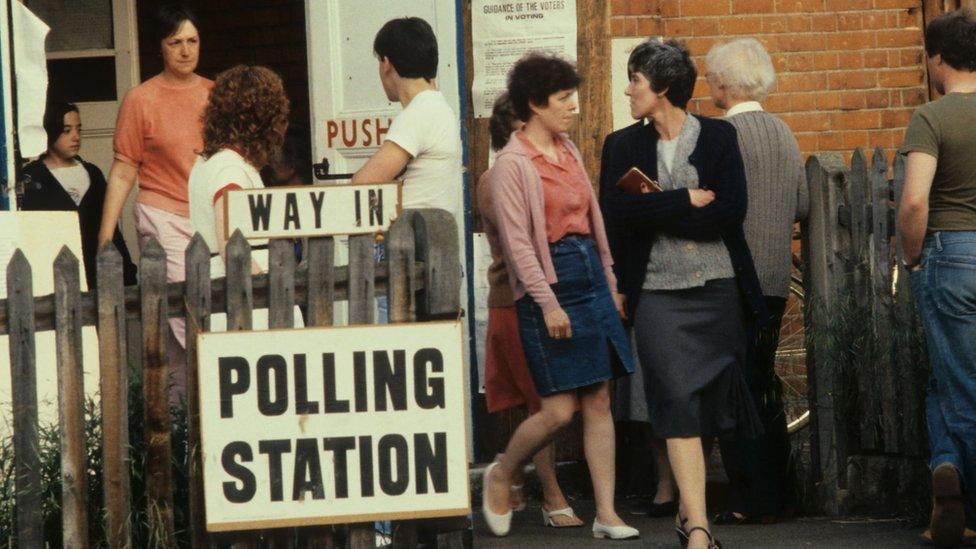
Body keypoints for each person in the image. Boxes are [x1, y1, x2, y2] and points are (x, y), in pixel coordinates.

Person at [600, 39, 766, 549]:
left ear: (664, 87)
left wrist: (663, 211)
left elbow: (729, 211)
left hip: (718, 292)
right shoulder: (621, 145)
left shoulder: (717, 136)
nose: (628, 89)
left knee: (710, 407)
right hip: (656, 294)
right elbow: (616, 214)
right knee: (674, 403)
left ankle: (688, 517)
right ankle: (698, 526)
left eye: (636, 80)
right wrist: (684, 200)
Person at [481, 53, 638, 541]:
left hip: (589, 272)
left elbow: (593, 222)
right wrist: (547, 302)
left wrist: (610, 281)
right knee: (557, 410)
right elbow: (518, 244)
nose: (574, 106)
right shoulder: (512, 165)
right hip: (550, 281)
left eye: (573, 96)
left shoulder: (568, 150)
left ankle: (607, 514)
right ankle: (503, 472)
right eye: (563, 99)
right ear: (534, 104)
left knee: (598, 396)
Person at [704, 37, 809, 524]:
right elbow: (804, 205)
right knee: (762, 381)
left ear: (725, 82)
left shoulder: (721, 136)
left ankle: (751, 498)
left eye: (710, 77)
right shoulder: (785, 132)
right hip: (774, 277)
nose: (708, 85)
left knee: (735, 387)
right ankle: (780, 493)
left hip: (731, 273)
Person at [97, 3, 212, 397]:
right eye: (175, 41)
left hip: (209, 216)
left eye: (192, 40)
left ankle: (186, 426)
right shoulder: (141, 99)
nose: (185, 50)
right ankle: (207, 402)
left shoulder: (215, 94)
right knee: (189, 315)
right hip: (161, 212)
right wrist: (106, 234)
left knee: (181, 325)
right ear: (160, 47)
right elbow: (125, 168)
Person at [479, 92, 582, 528]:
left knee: (539, 402)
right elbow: (526, 243)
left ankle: (514, 477)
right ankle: (547, 491)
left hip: (537, 297)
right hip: (515, 300)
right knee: (543, 402)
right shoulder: (497, 179)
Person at [898, 9, 976, 547]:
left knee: (963, 384)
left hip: (952, 254)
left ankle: (969, 507)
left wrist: (912, 256)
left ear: (937, 59)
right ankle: (946, 470)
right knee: (944, 378)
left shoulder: (932, 117)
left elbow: (915, 200)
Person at [187, 65, 289, 276]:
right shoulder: (230, 170)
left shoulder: (209, 162)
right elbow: (234, 253)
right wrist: (274, 294)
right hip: (245, 301)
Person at [21, 102, 137, 288]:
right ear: (50, 131)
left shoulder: (92, 173)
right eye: (66, 130)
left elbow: (111, 227)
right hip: (54, 278)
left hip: (97, 275)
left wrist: (128, 274)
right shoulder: (32, 177)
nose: (75, 137)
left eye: (78, 129)